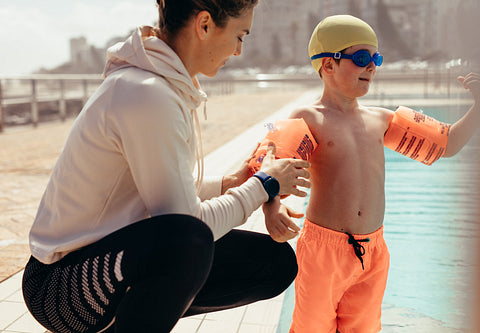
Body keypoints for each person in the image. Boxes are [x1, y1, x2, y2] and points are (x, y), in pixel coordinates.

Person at [21, 1, 312, 332]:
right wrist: (263, 185)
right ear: (204, 25)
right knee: (188, 241)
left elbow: (162, 189)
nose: (239, 51)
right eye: (239, 35)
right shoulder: (146, 93)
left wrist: (231, 183)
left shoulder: (161, 85)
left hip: (107, 259)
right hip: (61, 287)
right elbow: (187, 225)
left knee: (272, 264)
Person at [262, 15, 480, 333]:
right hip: (323, 251)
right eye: (362, 58)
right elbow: (272, 164)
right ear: (328, 65)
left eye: (375, 59)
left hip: (373, 251)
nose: (371, 67)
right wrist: (273, 207)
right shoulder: (308, 117)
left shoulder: (383, 120)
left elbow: (446, 144)